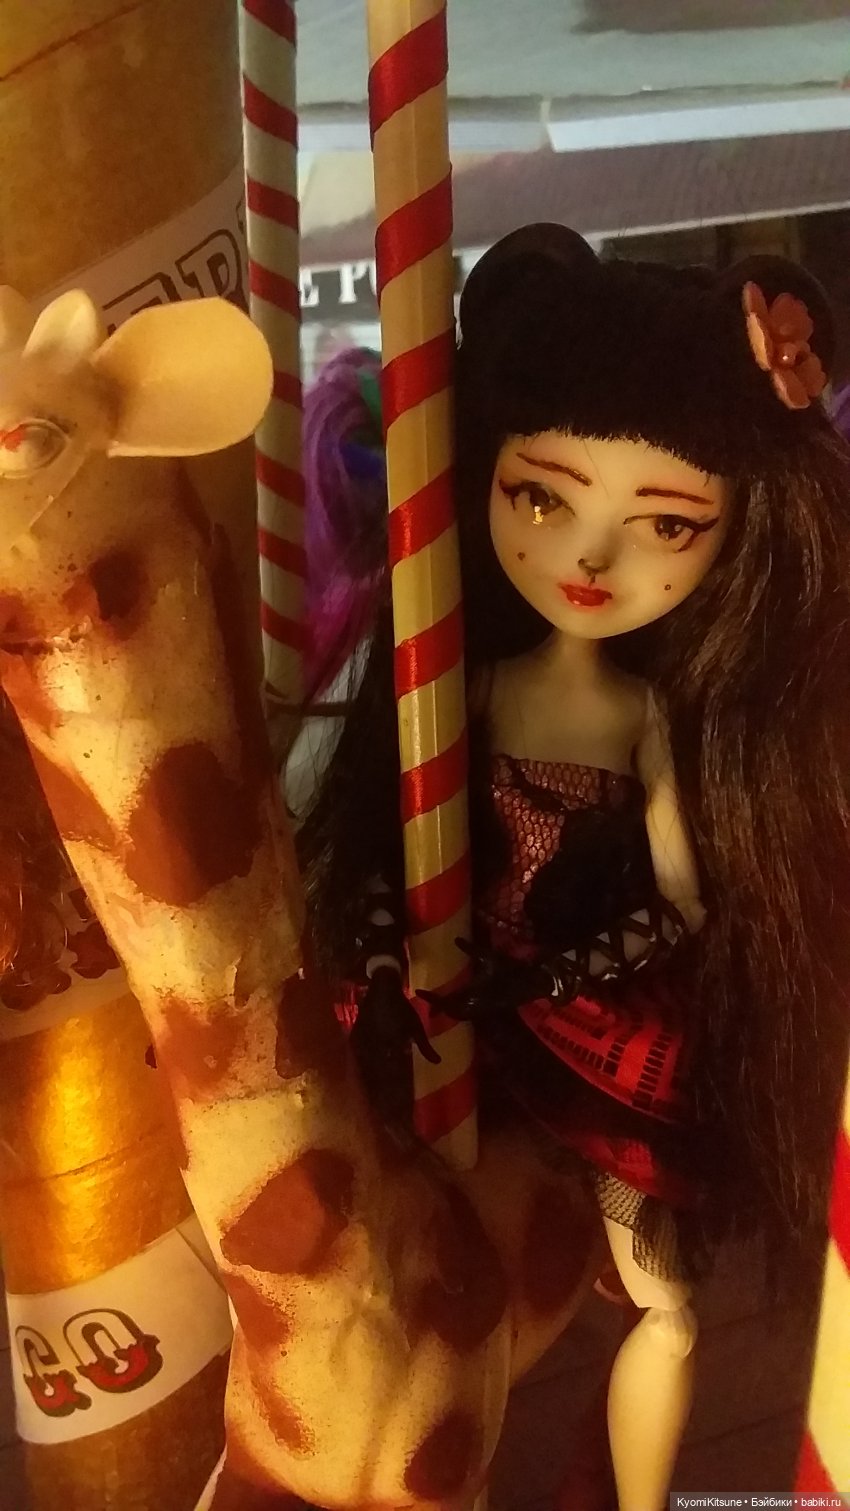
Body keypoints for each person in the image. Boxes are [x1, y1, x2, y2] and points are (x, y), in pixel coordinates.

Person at [299, 224, 850, 1509]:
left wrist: (560, 972)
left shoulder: (648, 717)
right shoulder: (470, 686)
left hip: (573, 1004)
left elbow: (684, 893)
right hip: (446, 983)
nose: (590, 559)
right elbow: (388, 832)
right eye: (542, 498)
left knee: (664, 1297)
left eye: (664, 522)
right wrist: (384, 936)